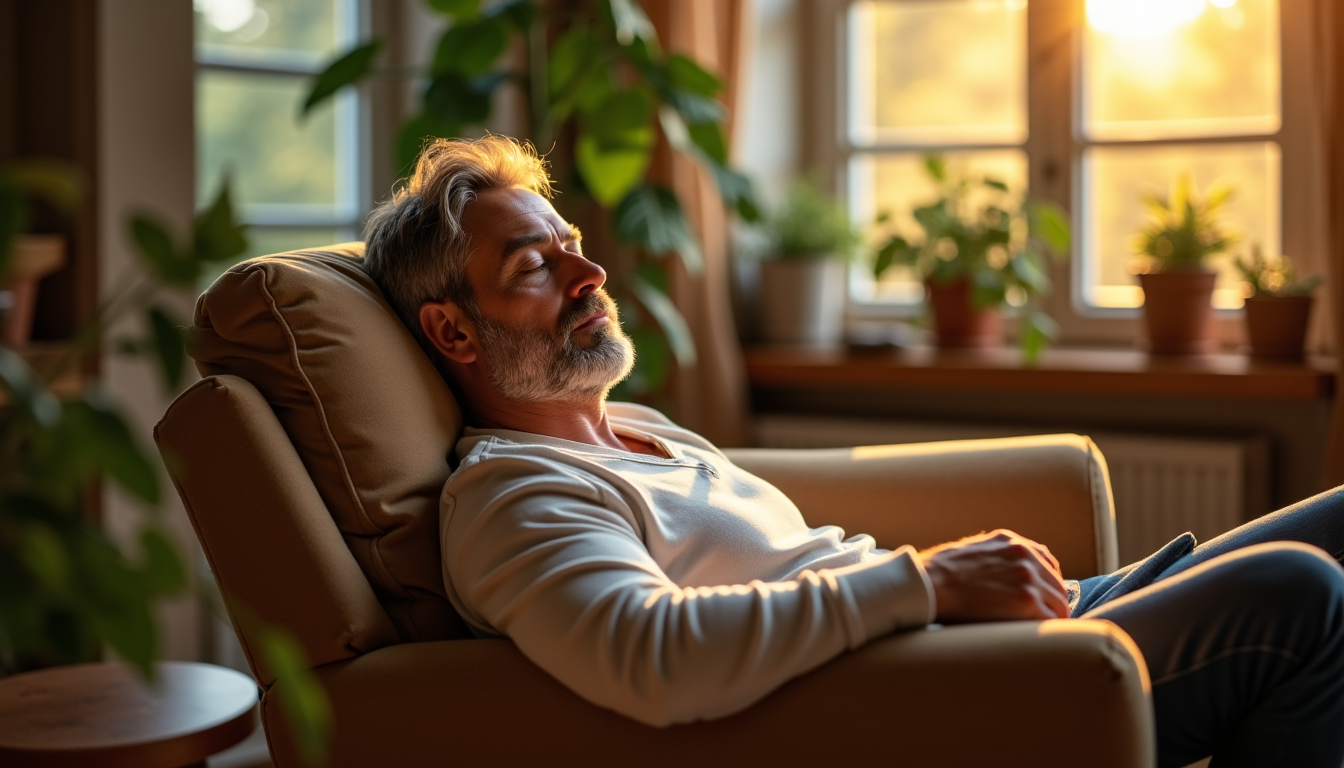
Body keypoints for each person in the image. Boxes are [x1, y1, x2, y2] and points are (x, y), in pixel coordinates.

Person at [363, 135, 1344, 768]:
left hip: (984, 644)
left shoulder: (637, 432)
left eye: (570, 242)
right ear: (454, 334)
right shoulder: (513, 497)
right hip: (940, 701)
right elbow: (648, 656)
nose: (590, 271)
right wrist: (926, 582)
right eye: (536, 266)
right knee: (1299, 593)